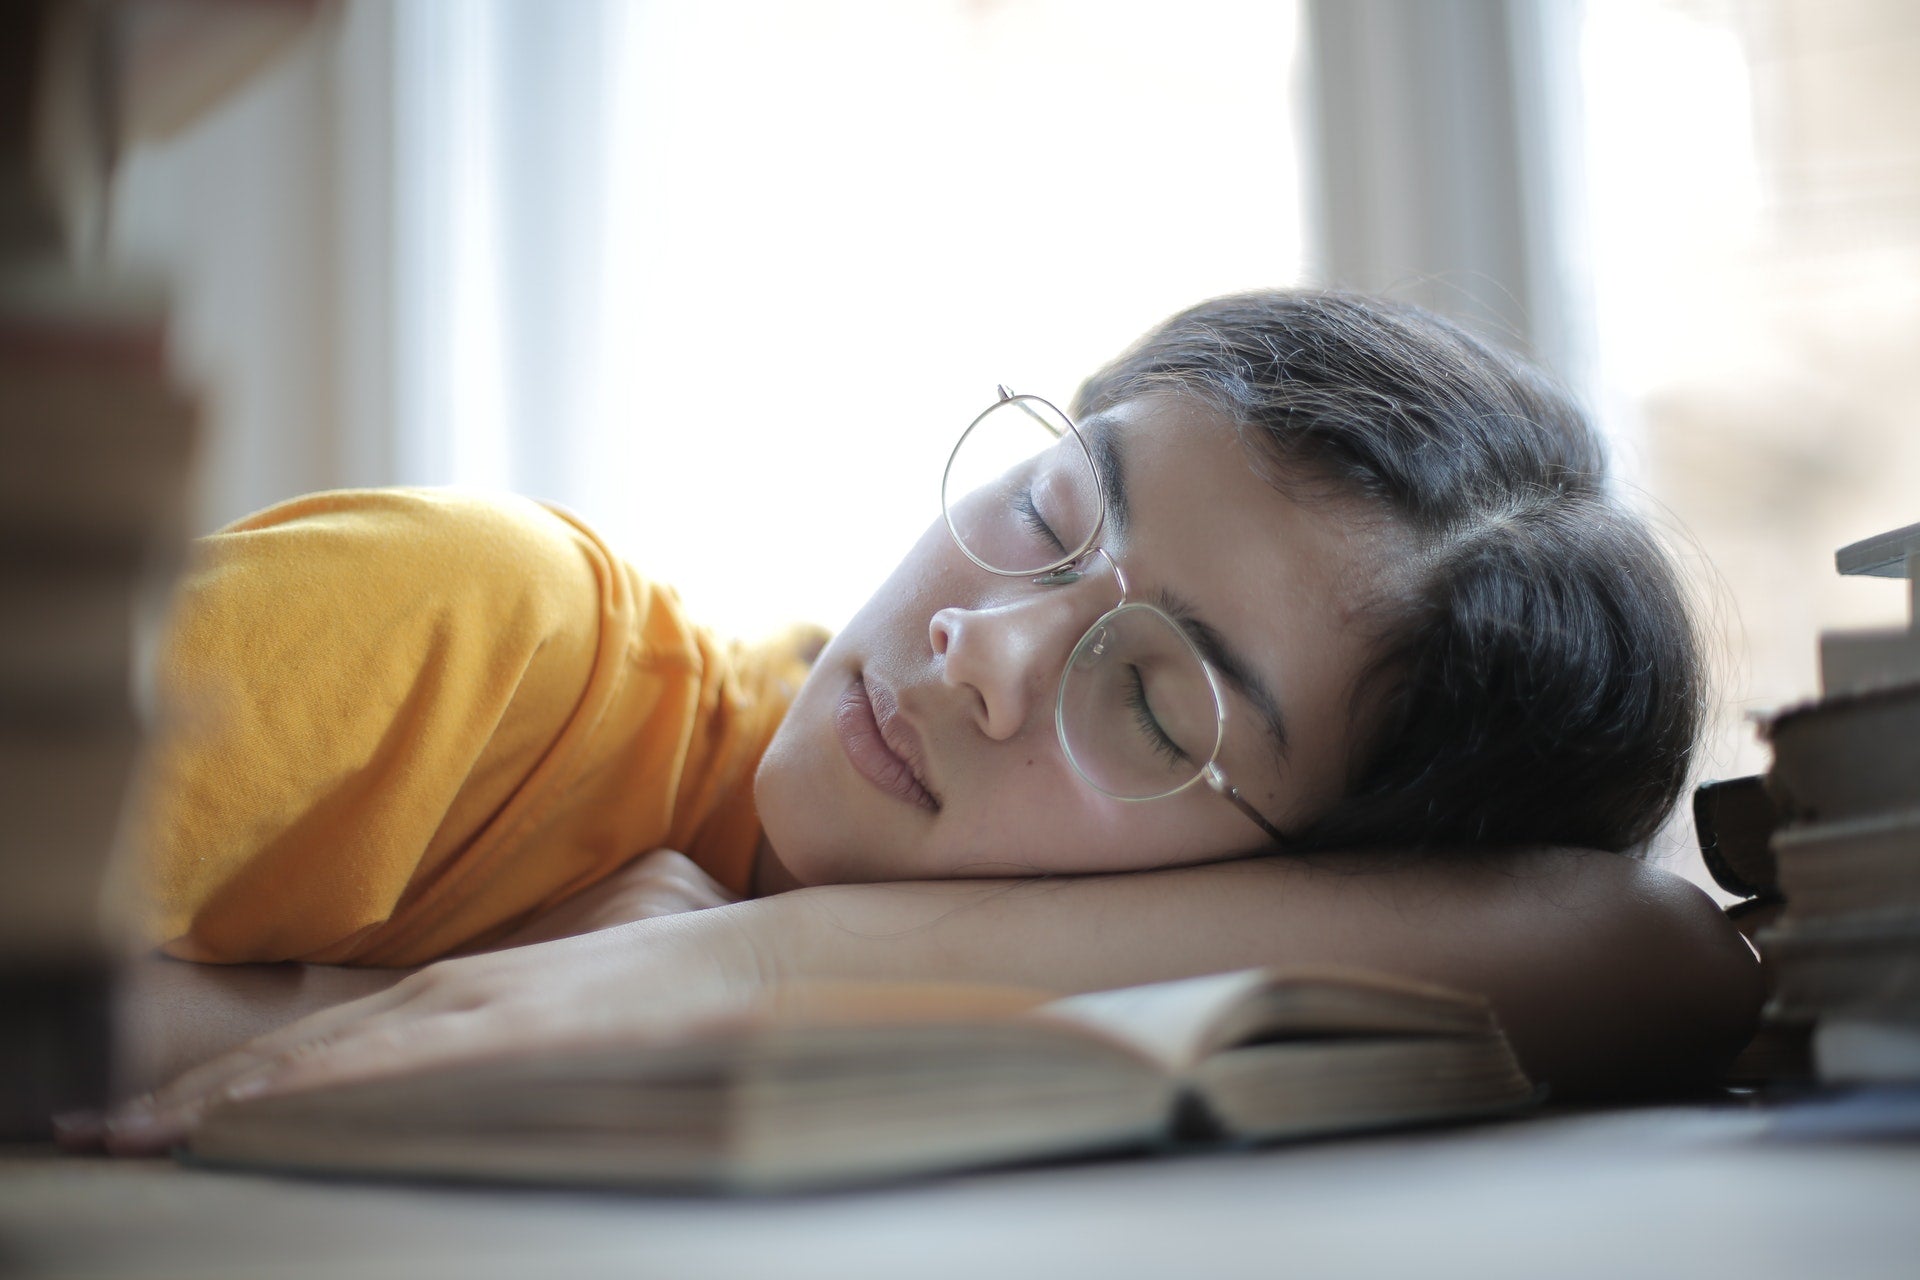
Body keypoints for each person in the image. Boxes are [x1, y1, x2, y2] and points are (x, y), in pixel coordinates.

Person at [65, 290, 1761, 1154]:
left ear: (1311, 883)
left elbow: (1652, 950)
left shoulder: (960, 1042)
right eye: (1048, 513)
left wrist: (738, 967)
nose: (982, 648)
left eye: (1153, 703)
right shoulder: (492, 640)